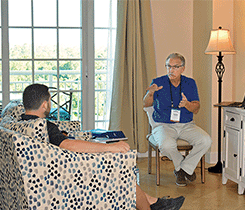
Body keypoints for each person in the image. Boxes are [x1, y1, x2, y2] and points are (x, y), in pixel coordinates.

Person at [21, 83, 185, 210]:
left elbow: (58, 143)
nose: (50, 104)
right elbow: (67, 145)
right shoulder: (43, 126)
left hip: (54, 172)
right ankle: (154, 204)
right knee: (123, 172)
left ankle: (155, 202)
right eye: (49, 100)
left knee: (120, 172)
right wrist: (110, 148)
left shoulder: (23, 123)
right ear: (44, 104)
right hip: (67, 176)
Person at [143, 53, 212, 187]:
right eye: (168, 66)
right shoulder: (158, 82)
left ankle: (183, 169)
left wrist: (187, 104)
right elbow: (146, 104)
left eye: (175, 67)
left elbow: (196, 108)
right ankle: (183, 167)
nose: (171, 70)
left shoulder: (190, 83)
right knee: (167, 146)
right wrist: (150, 93)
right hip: (163, 125)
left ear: (183, 68)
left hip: (187, 125)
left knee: (206, 141)